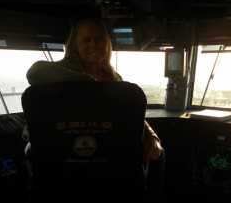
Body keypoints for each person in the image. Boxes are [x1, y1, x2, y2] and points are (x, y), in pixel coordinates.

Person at [25, 16, 165, 202]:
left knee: (160, 155)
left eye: (100, 39)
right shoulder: (64, 69)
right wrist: (91, 85)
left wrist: (152, 137)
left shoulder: (113, 77)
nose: (94, 44)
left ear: (107, 43)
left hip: (109, 153)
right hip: (69, 156)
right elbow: (34, 72)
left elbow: (131, 115)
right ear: (75, 45)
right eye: (86, 40)